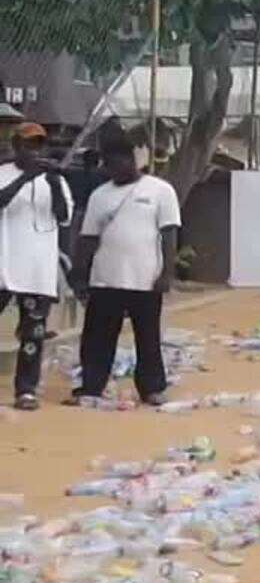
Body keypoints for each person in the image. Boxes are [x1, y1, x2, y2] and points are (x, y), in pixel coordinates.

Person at [69, 137, 180, 406]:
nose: (117, 167)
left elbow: (169, 234)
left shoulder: (160, 191)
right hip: (105, 279)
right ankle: (91, 386)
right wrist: (79, 272)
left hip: (145, 279)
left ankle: (152, 388)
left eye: (122, 161)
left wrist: (166, 272)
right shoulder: (100, 195)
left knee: (148, 337)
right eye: (110, 164)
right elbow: (89, 238)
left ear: (133, 161)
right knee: (97, 337)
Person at [0, 124, 72, 409]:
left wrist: (52, 181)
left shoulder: (54, 181)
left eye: (39, 145)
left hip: (36, 272)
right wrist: (25, 179)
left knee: (33, 334)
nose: (35, 151)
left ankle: (26, 390)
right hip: (3, 268)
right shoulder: (3, 173)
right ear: (16, 146)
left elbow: (64, 216)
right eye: (29, 145)